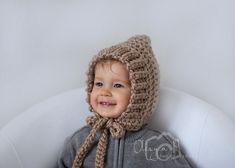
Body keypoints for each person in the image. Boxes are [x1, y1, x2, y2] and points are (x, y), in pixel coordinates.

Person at [57, 35, 192, 168]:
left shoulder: (155, 145)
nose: (105, 92)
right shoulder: (80, 140)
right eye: (99, 84)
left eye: (117, 85)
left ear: (139, 94)